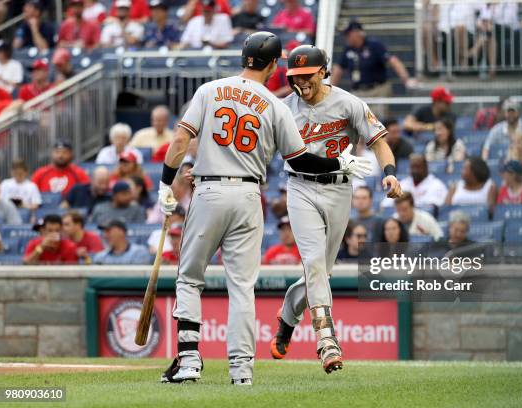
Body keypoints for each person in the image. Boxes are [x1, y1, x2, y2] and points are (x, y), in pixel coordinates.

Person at [156, 32, 371, 384]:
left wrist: (167, 184)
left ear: (245, 58)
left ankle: (190, 359)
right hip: (248, 196)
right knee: (241, 286)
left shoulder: (210, 90)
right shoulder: (274, 104)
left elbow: (181, 139)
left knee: (190, 278)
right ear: (274, 65)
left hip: (208, 189)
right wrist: (338, 165)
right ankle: (242, 371)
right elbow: (302, 159)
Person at [270, 45, 401, 373]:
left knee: (320, 274)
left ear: (323, 71)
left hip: (339, 189)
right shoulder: (284, 108)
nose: (301, 82)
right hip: (299, 187)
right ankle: (327, 341)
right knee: (313, 264)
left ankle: (288, 318)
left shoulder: (347, 103)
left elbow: (379, 141)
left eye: (307, 75)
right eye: (295, 76)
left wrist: (390, 175)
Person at [331, 20, 414, 119]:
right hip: (358, 91)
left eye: (348, 34)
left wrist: (406, 79)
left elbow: (393, 61)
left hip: (378, 90)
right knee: (356, 121)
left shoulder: (374, 45)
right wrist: (330, 90)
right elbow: (338, 68)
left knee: (380, 121)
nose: (346, 38)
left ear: (357, 33)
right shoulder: (348, 49)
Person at [382, 154, 447, 209]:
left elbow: (431, 207)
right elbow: (385, 205)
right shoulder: (404, 183)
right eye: (413, 167)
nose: (415, 171)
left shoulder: (436, 185)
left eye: (418, 167)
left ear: (426, 168)